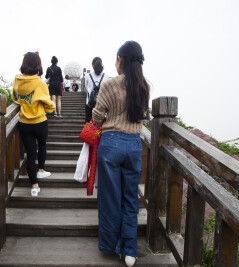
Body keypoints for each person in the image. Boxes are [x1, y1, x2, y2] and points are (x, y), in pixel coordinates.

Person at [92, 41, 150, 267]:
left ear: (120, 60)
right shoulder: (144, 86)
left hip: (111, 144)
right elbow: (141, 116)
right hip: (134, 145)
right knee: (130, 198)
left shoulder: (109, 84)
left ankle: (112, 244)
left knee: (110, 198)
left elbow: (97, 118)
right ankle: (129, 250)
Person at [12, 52, 56, 197]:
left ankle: (34, 186)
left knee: (30, 154)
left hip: (24, 122)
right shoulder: (40, 83)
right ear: (37, 64)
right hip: (39, 122)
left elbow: (15, 97)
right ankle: (41, 170)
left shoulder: (17, 81)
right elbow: (49, 105)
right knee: (42, 145)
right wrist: (50, 107)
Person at [84, 57, 109, 122]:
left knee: (89, 124)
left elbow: (86, 88)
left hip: (89, 104)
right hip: (102, 104)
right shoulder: (106, 76)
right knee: (101, 125)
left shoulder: (87, 76)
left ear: (92, 65)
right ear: (101, 64)